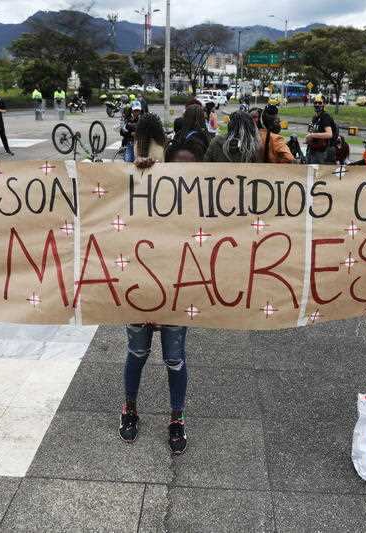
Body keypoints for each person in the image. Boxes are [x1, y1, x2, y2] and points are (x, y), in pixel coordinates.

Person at [120, 135, 205, 456]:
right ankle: (129, 409)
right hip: (140, 289)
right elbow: (120, 210)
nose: (183, 175)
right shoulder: (146, 191)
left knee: (174, 358)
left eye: (191, 170)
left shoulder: (203, 201)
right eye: (177, 168)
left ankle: (177, 418)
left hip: (178, 294)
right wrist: (137, 172)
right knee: (137, 353)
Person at [305, 95, 337, 164]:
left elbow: (329, 134)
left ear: (324, 104)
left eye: (320, 103)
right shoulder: (314, 117)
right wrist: (308, 138)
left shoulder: (325, 117)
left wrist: (312, 135)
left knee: (316, 172)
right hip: (312, 149)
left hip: (322, 151)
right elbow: (310, 131)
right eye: (315, 103)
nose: (317, 105)